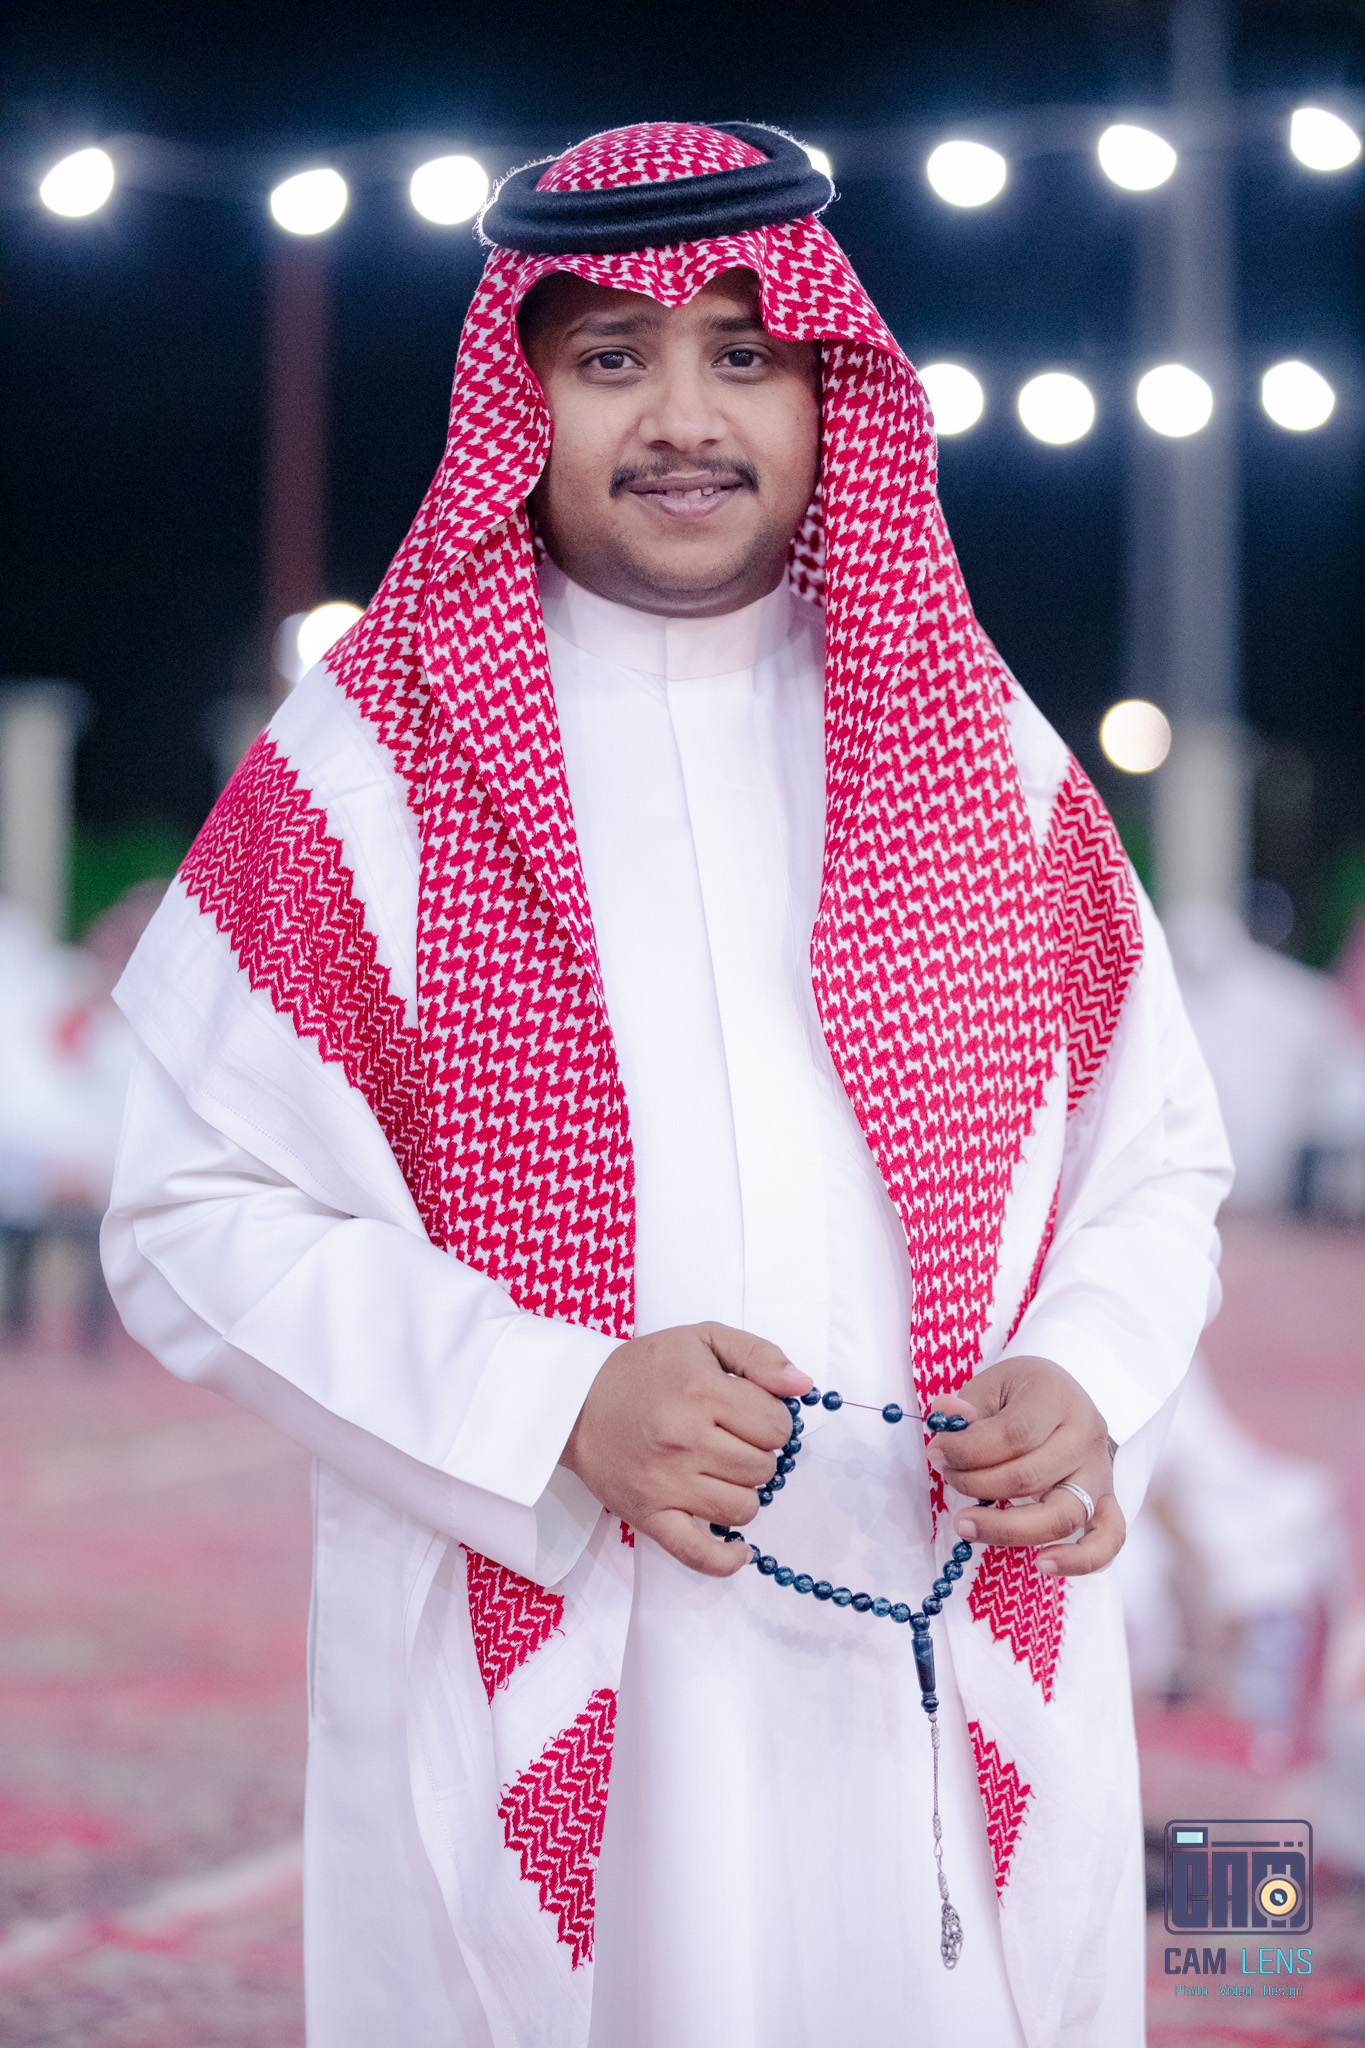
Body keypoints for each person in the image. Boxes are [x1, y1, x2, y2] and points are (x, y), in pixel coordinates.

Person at [101, 121, 1231, 2048]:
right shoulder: (363, 764)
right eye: (613, 358)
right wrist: (553, 1404)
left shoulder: (986, 748)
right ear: (521, 399)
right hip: (550, 1611)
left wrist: (1088, 1376)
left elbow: (1153, 1163)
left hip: (946, 1605)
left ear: (825, 390)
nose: (684, 417)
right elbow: (189, 1214)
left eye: (742, 354)